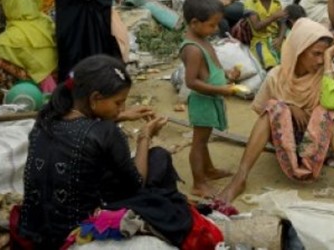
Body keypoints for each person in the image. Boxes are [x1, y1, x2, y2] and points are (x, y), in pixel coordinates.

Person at [16, 55, 198, 248]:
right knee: (159, 158)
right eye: (118, 103)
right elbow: (137, 183)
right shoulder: (106, 133)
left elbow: (83, 132)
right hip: (77, 230)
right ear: (95, 98)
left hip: (34, 229)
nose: (122, 108)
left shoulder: (46, 119)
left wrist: (119, 116)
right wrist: (145, 136)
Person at [218, 18, 334, 208]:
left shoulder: (330, 74)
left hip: (321, 144)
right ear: (299, 51)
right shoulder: (277, 76)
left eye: (323, 55)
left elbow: (331, 104)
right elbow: (264, 112)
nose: (319, 60)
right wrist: (289, 106)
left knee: (329, 116)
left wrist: (327, 64)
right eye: (316, 54)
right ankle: (239, 178)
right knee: (273, 109)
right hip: (285, 142)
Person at [180, 0, 240, 197]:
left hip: (210, 99)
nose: (216, 30)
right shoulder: (193, 49)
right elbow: (191, 81)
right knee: (199, 142)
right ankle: (198, 183)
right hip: (203, 101)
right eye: (212, 25)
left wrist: (227, 75)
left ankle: (209, 170)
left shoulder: (202, 39)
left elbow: (210, 69)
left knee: (204, 140)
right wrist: (221, 89)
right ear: (195, 22)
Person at [244, 0, 286, 70]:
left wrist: (280, 38)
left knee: (289, 51)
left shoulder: (276, 3)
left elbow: (282, 23)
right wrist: (273, 17)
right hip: (260, 41)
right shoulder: (250, 4)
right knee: (269, 61)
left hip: (276, 38)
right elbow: (257, 26)